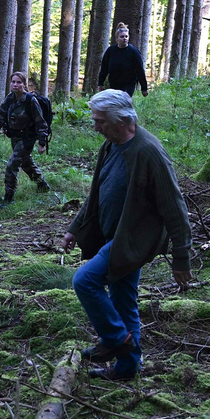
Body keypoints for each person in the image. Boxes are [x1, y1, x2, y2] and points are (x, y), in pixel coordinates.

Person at [61, 90, 192, 381]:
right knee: (123, 300)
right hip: (112, 236)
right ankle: (128, 367)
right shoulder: (110, 146)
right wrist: (75, 227)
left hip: (132, 241)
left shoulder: (149, 152)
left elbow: (175, 208)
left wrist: (181, 258)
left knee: (84, 280)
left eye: (101, 121)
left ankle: (117, 341)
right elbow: (97, 193)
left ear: (122, 120)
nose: (96, 127)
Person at [0, 72, 50, 205]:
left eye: (19, 82)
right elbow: (0, 117)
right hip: (14, 137)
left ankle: (8, 197)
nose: (15, 85)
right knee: (26, 164)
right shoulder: (10, 98)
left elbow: (40, 122)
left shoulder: (30, 100)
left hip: (27, 138)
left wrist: (42, 142)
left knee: (12, 165)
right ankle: (42, 185)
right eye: (13, 82)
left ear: (24, 84)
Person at [98, 22, 148, 98]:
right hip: (114, 83)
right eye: (122, 37)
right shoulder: (111, 51)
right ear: (117, 38)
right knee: (115, 103)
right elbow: (104, 68)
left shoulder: (134, 52)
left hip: (128, 84)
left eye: (126, 36)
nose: (124, 38)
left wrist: (144, 88)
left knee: (123, 102)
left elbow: (140, 70)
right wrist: (100, 83)